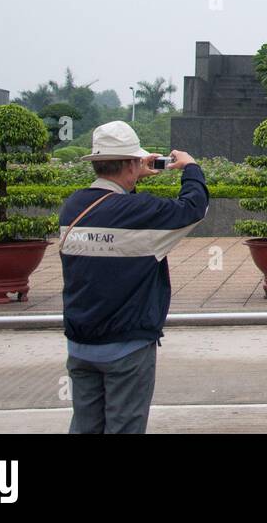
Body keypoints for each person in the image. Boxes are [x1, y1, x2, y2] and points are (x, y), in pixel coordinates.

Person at [59, 121, 209, 433]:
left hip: (80, 344)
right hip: (126, 348)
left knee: (85, 426)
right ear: (131, 164)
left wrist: (131, 177)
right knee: (125, 426)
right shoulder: (141, 211)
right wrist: (191, 167)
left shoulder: (72, 207)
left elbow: (114, 215)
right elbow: (194, 207)